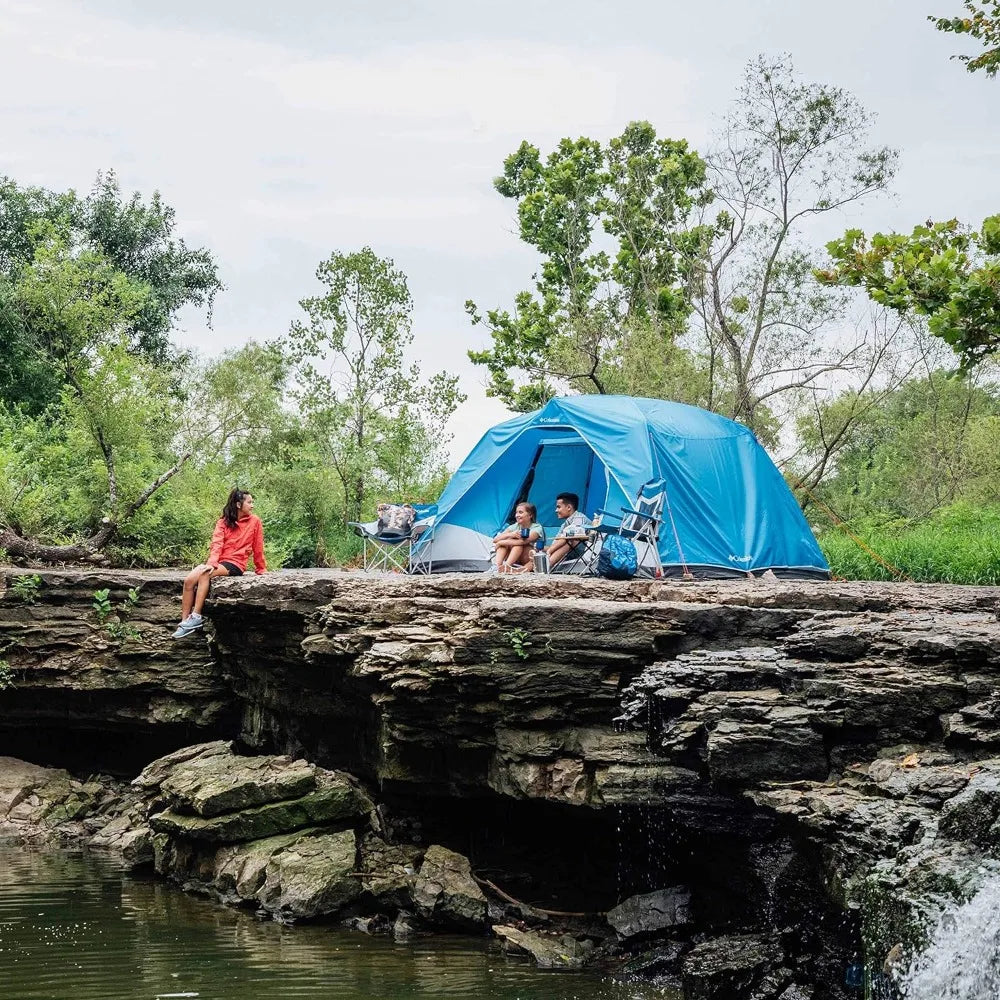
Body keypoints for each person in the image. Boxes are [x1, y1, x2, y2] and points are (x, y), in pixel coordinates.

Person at [172, 488, 266, 638]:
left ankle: (196, 616)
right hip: (221, 561)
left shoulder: (255, 521)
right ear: (238, 504)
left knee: (205, 574)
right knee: (189, 580)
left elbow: (258, 546)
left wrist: (261, 568)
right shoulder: (223, 522)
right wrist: (212, 562)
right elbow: (217, 544)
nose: (252, 505)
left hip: (236, 563)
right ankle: (184, 623)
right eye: (249, 502)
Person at [492, 502, 544, 573]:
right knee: (508, 542)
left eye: (520, 512)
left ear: (530, 515)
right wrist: (511, 534)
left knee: (517, 544)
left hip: (528, 558)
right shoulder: (515, 526)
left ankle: (506, 566)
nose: (517, 515)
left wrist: (501, 542)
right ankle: (496, 567)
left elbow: (522, 542)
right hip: (514, 557)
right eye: (516, 513)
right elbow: (495, 539)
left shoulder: (537, 528)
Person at [546, 492, 591, 570]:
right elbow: (555, 543)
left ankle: (547, 565)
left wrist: (550, 550)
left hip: (585, 552)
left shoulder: (579, 518)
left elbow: (569, 536)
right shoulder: (565, 524)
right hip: (570, 551)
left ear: (569, 507)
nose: (556, 510)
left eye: (558, 507)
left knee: (569, 540)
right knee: (536, 547)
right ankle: (531, 567)